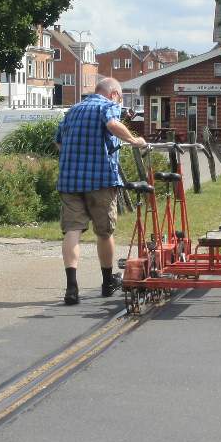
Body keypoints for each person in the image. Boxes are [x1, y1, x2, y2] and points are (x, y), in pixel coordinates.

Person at [54, 76, 148, 306]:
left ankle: (72, 287)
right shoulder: (107, 106)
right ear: (113, 94)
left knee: (72, 231)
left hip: (70, 180)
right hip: (100, 180)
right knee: (104, 231)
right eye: (119, 98)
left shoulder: (73, 110)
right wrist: (135, 140)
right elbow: (112, 124)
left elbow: (58, 142)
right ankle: (107, 282)